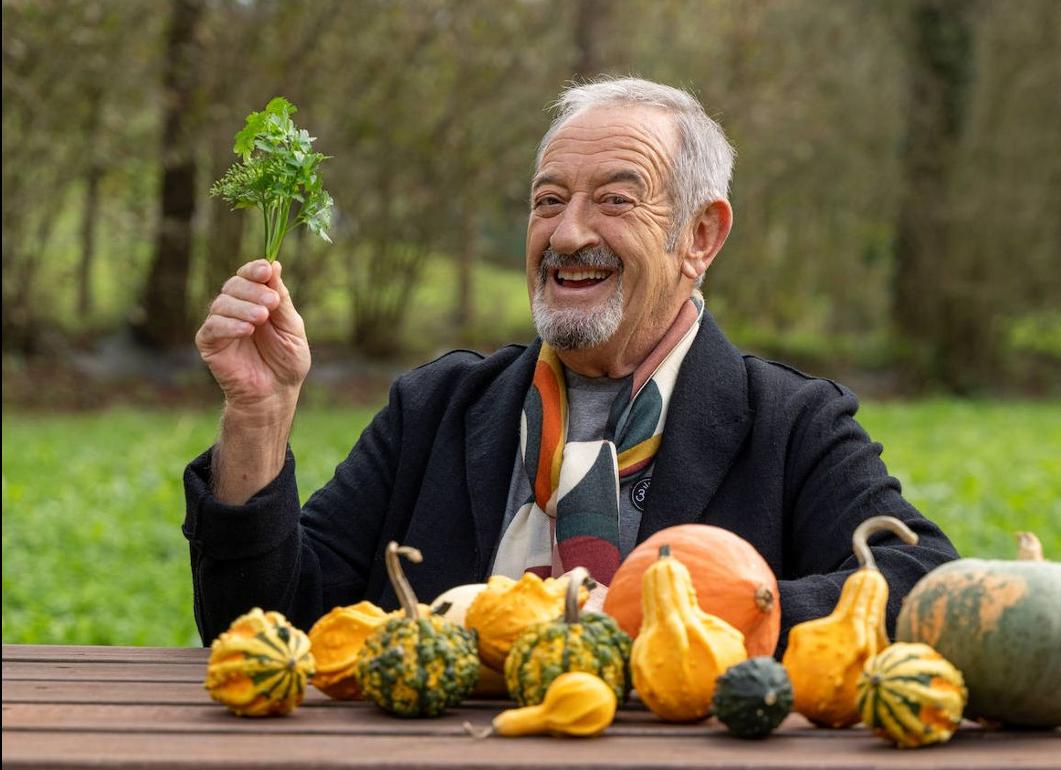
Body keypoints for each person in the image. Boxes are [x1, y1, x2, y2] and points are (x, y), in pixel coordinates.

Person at [184, 77, 957, 648]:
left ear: (700, 237)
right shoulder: (435, 408)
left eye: (615, 202)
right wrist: (258, 412)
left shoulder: (788, 424)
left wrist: (701, 612)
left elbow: (924, 584)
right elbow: (259, 626)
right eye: (548, 201)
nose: (565, 234)